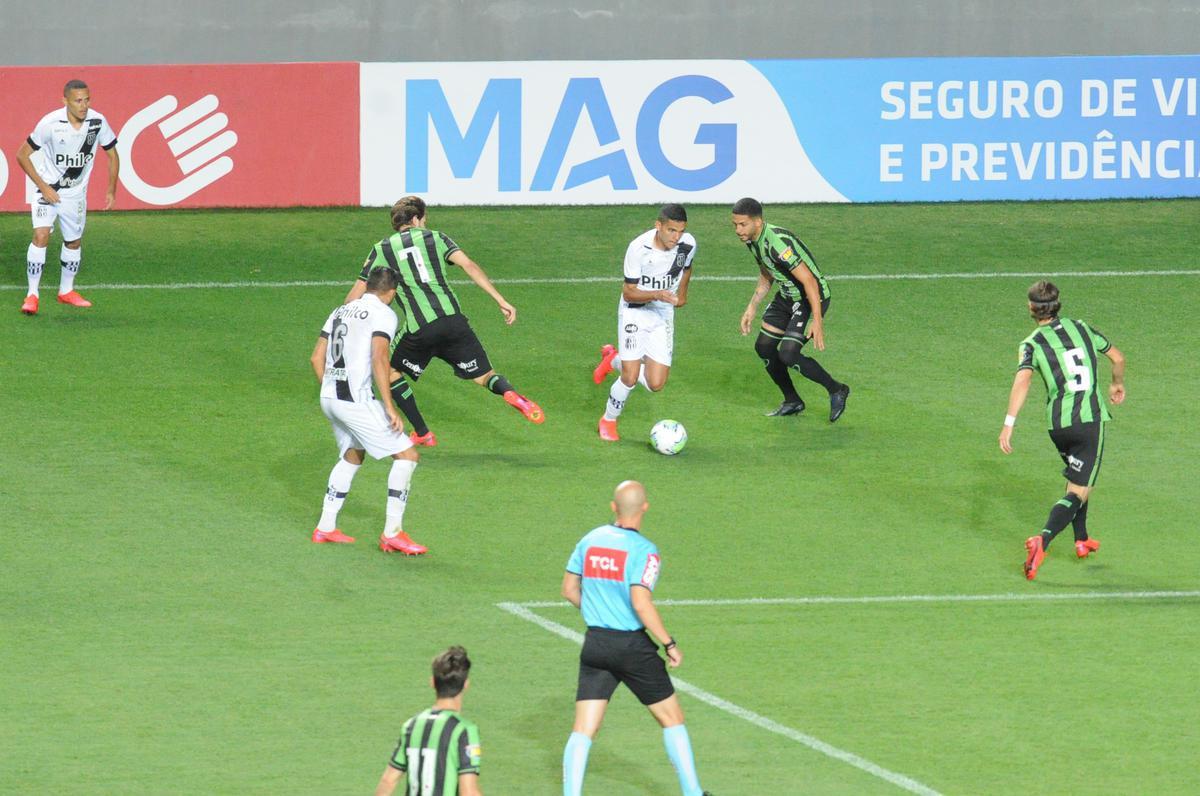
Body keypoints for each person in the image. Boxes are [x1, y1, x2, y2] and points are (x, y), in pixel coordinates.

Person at [346, 196, 543, 447]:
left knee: (389, 371)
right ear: (416, 219)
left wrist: (345, 317)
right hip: (454, 322)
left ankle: (422, 433)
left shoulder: (382, 249)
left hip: (420, 329)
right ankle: (510, 393)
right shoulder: (437, 238)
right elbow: (469, 265)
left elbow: (355, 295)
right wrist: (500, 300)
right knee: (484, 376)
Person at [561, 481, 707, 796]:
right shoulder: (645, 551)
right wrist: (669, 643)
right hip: (632, 648)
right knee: (672, 719)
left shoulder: (590, 540)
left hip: (596, 644)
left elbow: (569, 589)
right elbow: (641, 603)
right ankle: (693, 793)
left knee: (584, 729)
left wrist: (599, 611)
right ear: (645, 507)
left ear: (614, 507)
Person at [999, 281, 1126, 580]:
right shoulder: (1081, 328)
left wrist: (1008, 423)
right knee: (1080, 490)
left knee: (1078, 479)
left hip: (1058, 425)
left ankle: (1081, 539)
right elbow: (1118, 357)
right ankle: (1042, 541)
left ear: (1031, 308)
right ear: (1058, 304)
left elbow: (1023, 380)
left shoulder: (1030, 343)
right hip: (1089, 421)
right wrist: (1117, 383)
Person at [310, 266, 428, 555]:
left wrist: (332, 390)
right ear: (392, 292)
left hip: (329, 397)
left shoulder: (340, 310)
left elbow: (316, 358)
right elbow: (379, 358)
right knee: (408, 455)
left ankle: (325, 527)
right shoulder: (384, 314)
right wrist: (389, 406)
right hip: (355, 401)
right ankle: (392, 534)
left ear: (368, 286)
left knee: (353, 453)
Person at [731, 197, 849, 422]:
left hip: (810, 298)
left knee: (788, 353)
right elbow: (767, 273)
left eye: (742, 224)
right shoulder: (752, 240)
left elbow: (809, 281)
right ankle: (792, 401)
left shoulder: (777, 243)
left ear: (758, 222)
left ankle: (837, 389)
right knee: (764, 347)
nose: (738, 230)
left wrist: (817, 320)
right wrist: (751, 307)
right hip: (787, 297)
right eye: (735, 225)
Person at [16, 78, 120, 315]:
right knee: (41, 235)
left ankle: (66, 291)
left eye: (87, 100)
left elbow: (113, 155)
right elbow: (22, 155)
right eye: (78, 101)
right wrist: (43, 187)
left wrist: (111, 189)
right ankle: (32, 295)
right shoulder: (50, 123)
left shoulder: (97, 122)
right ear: (65, 101)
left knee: (73, 242)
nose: (84, 106)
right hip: (47, 190)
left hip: (75, 195)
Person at [592, 204, 695, 442]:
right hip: (635, 311)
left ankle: (613, 359)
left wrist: (682, 294)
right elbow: (629, 293)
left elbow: (687, 268)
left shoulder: (688, 244)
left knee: (655, 384)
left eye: (680, 231)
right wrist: (658, 294)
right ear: (658, 226)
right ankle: (608, 420)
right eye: (671, 230)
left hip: (662, 313)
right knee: (629, 377)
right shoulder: (638, 248)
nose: (676, 237)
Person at [375, 646, 483, 796]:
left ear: (432, 682)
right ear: (466, 684)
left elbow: (388, 780)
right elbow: (468, 792)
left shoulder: (411, 725)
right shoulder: (464, 730)